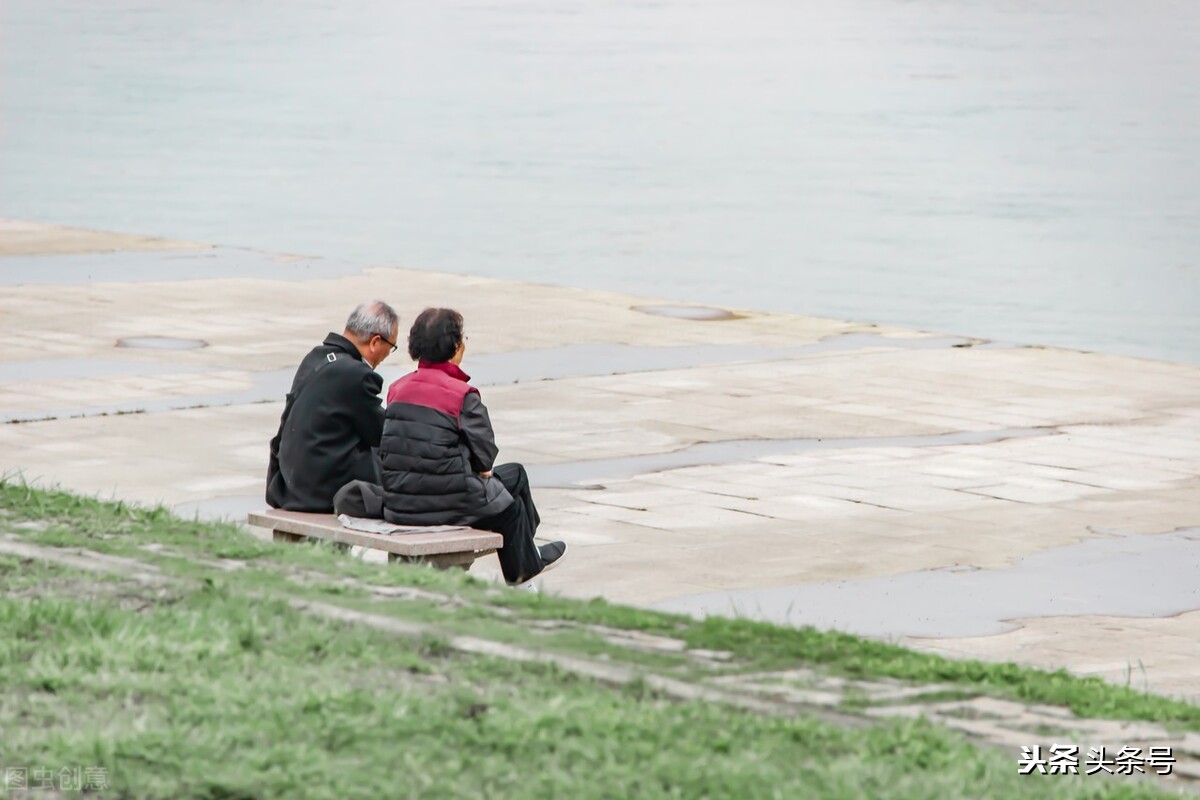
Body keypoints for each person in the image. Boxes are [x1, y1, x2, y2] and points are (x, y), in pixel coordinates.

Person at [381, 307, 566, 585]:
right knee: (511, 507)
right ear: (456, 348)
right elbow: (485, 459)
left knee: (515, 475)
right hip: (447, 505)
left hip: (399, 502)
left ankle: (530, 552)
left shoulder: (397, 389)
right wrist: (478, 469)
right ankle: (523, 571)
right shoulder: (462, 395)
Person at [266, 301, 400, 511]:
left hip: (289, 486)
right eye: (391, 347)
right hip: (322, 492)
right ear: (375, 342)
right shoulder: (356, 375)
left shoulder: (314, 358)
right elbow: (381, 433)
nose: (386, 355)